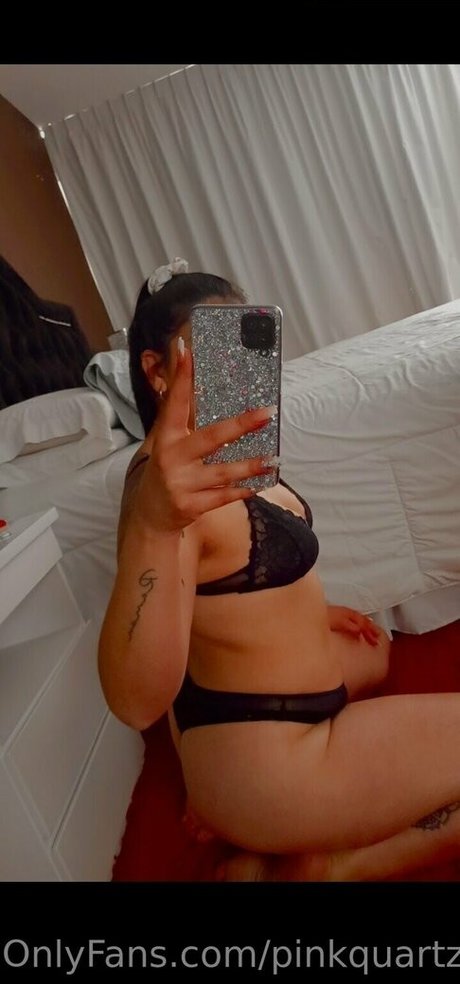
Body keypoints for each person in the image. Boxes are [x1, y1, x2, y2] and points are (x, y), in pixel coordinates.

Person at [98, 258, 460, 882]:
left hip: (246, 721)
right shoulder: (166, 495)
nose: (239, 368)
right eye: (214, 349)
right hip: (276, 760)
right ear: (157, 371)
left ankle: (231, 806)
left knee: (375, 652)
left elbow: (205, 605)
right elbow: (136, 700)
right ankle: (329, 866)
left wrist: (314, 613)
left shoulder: (227, 448)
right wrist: (154, 528)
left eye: (248, 343)